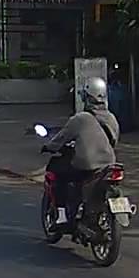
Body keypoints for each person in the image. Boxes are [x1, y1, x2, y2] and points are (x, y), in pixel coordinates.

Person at [42, 77, 120, 226]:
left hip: (87, 166)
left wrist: (49, 146)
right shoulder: (111, 118)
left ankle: (62, 216)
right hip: (108, 165)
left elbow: (62, 138)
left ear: (86, 97)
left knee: (57, 170)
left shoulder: (80, 119)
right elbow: (114, 141)